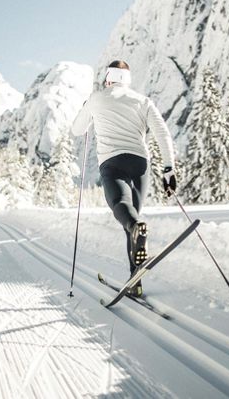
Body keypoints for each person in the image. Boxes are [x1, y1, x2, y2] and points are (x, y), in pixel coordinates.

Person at [71, 60, 177, 297]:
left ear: (108, 77)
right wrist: (169, 169)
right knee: (134, 221)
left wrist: (87, 107)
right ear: (127, 79)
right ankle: (135, 280)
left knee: (124, 210)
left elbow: (77, 129)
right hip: (140, 163)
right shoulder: (142, 101)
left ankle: (135, 264)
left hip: (113, 162)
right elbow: (162, 132)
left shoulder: (97, 98)